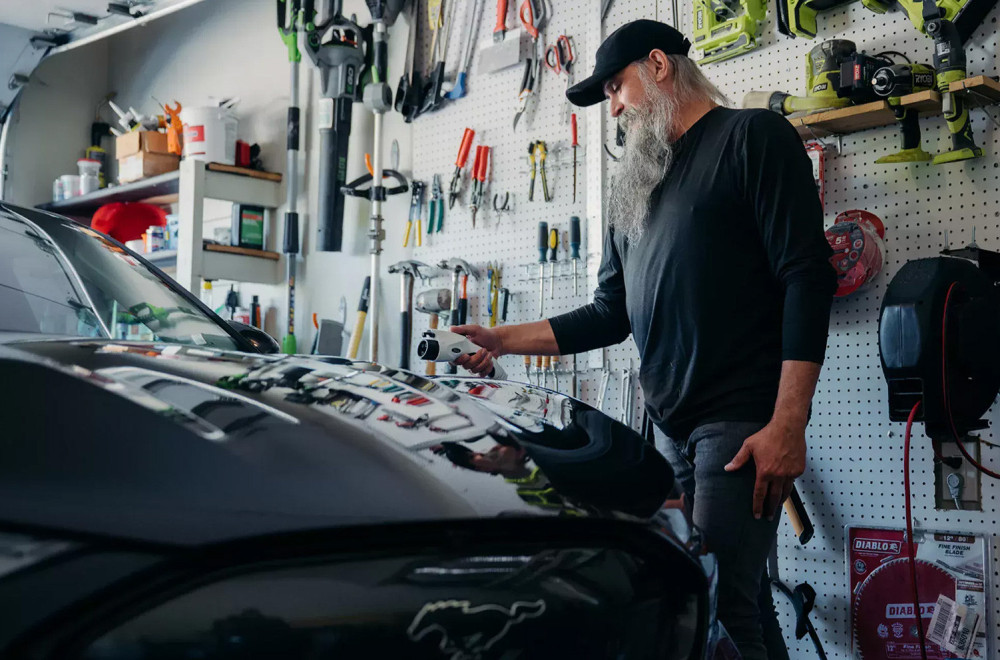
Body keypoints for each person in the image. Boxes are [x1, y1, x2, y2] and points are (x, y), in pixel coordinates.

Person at [450, 19, 836, 660]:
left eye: (616, 88)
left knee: (713, 607)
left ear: (658, 65)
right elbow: (609, 313)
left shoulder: (752, 138)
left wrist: (788, 422)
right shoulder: (636, 185)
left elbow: (807, 277)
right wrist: (501, 338)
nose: (615, 107)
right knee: (742, 601)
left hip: (740, 426)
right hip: (668, 429)